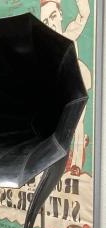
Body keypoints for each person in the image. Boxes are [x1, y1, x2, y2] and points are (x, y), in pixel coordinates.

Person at [41, 0, 91, 175]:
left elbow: (84, 16)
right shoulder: (44, 47)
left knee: (77, 123)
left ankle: (76, 162)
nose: (51, 23)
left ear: (60, 14)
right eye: (45, 21)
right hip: (58, 94)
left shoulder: (68, 34)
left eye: (53, 16)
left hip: (76, 87)